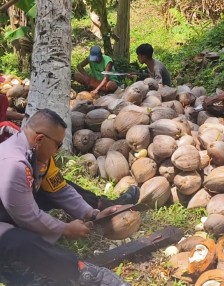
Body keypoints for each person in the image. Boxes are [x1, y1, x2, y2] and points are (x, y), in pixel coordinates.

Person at [0, 109, 137, 285]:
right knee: (19, 241)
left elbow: (59, 189)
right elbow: (28, 217)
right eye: (57, 144)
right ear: (40, 139)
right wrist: (64, 229)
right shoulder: (14, 164)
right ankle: (80, 271)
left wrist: (92, 214)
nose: (58, 149)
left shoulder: (35, 153)